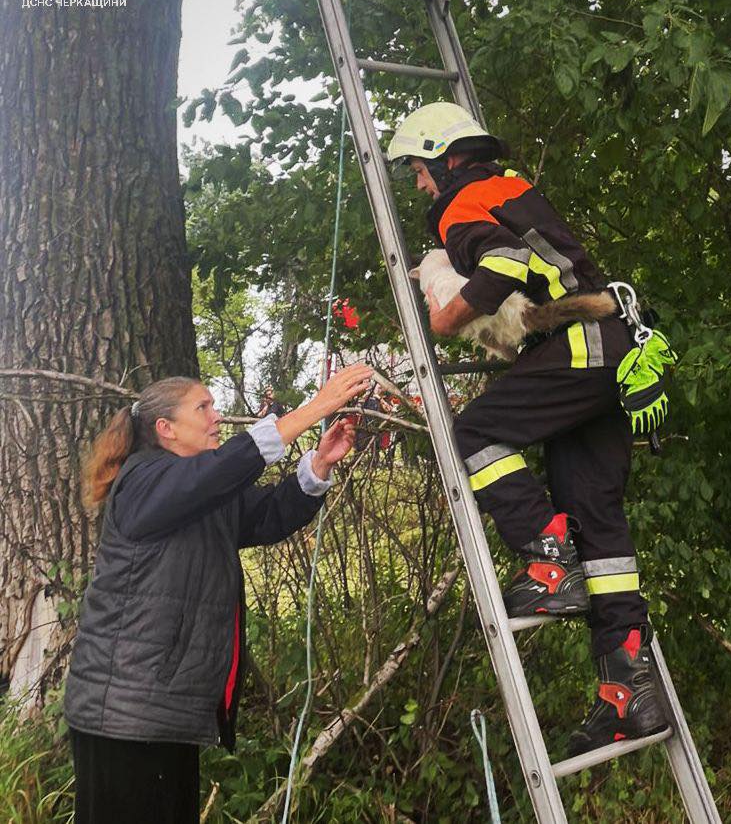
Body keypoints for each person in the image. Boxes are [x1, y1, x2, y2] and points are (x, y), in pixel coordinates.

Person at [387, 101, 667, 755]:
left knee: (473, 431)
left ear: (443, 156)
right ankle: (631, 689)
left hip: (578, 344)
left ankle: (547, 560)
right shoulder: (512, 188)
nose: (420, 185)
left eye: (418, 171)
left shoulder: (463, 203)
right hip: (610, 353)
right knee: (597, 515)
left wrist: (451, 315)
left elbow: (508, 263)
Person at [63, 363, 373, 823]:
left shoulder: (198, 490)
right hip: (123, 716)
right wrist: (314, 409)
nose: (217, 417)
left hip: (165, 711)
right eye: (203, 407)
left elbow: (266, 514)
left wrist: (318, 464)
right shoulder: (144, 480)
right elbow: (217, 472)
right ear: (165, 429)